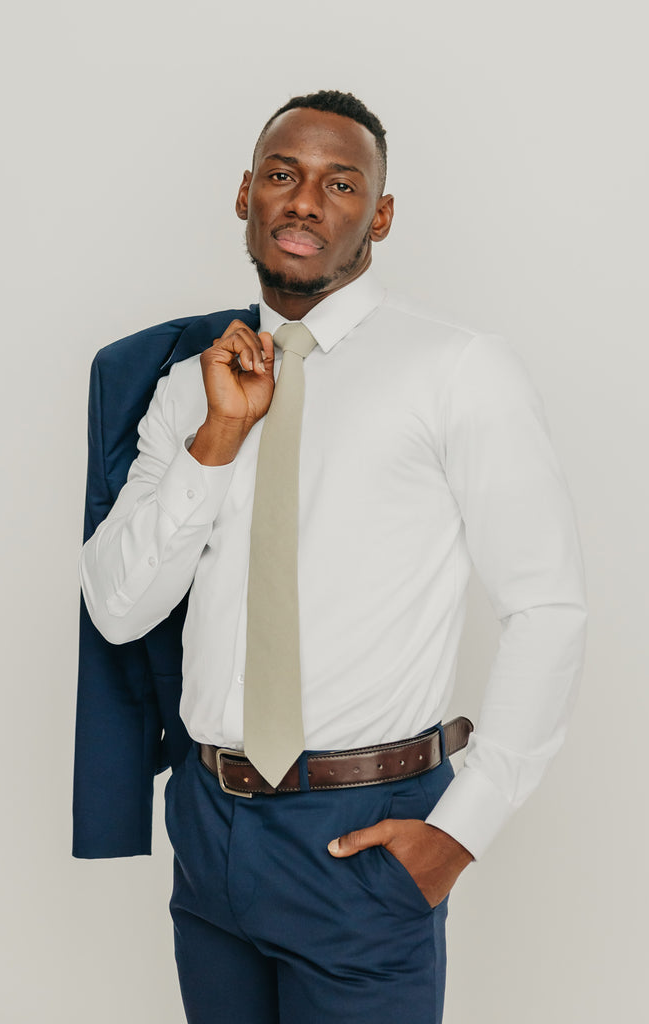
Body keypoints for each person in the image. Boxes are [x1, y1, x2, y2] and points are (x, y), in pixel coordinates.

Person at [78, 90, 587, 1023]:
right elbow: (117, 609)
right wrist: (217, 442)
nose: (304, 201)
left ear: (379, 215)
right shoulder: (190, 388)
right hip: (209, 821)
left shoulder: (458, 368)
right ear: (245, 195)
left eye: (339, 184)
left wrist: (459, 833)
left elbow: (546, 608)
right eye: (282, 175)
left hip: (364, 835)